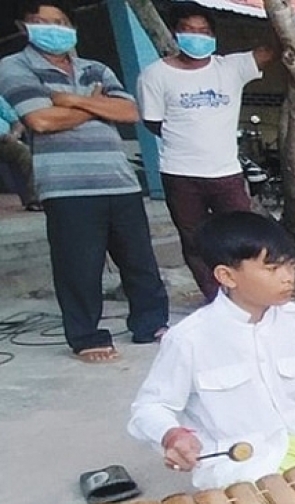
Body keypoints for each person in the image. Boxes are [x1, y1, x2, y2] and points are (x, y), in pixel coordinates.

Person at [128, 211, 295, 489]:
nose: (288, 278)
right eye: (272, 269)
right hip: (248, 466)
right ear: (227, 276)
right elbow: (150, 407)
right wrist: (172, 435)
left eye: (289, 266)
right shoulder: (189, 338)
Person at [0, 0, 169, 363]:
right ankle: (86, 335)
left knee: (140, 261)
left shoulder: (95, 67)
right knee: (79, 265)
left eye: (60, 21)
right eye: (42, 21)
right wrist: (93, 104)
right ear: (23, 25)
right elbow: (40, 121)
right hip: (67, 185)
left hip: (120, 181)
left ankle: (151, 323)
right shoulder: (14, 66)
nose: (53, 28)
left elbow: (129, 111)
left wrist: (69, 101)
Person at [138, 1, 275, 302]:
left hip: (225, 172)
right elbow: (152, 122)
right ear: (175, 33)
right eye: (188, 30)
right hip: (181, 173)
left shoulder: (231, 68)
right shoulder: (155, 75)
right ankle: (215, 299)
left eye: (203, 31)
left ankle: (248, 294)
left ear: (213, 36)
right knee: (195, 240)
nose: (196, 36)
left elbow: (269, 51)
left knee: (244, 236)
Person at [0, 93, 39, 210]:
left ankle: (34, 200)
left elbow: (16, 122)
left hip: (4, 141)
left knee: (25, 152)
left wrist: (15, 135)